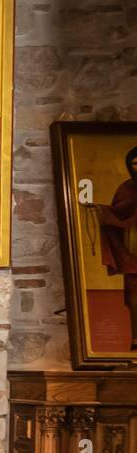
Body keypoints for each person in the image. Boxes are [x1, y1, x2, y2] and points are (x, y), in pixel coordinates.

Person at [82, 145, 137, 348]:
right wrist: (98, 209)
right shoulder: (126, 188)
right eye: (134, 163)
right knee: (134, 298)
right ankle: (136, 339)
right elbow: (118, 213)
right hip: (134, 250)